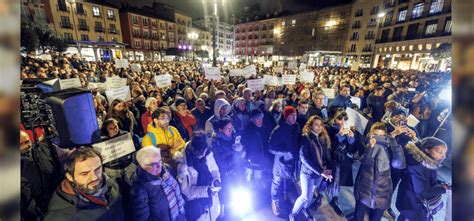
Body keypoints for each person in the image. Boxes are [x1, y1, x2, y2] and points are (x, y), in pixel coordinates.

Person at [44, 148, 125, 221]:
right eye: (85, 173)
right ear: (70, 177)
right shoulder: (61, 216)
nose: (94, 178)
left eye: (97, 169)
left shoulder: (112, 184)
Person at [353, 123, 406, 221]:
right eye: (376, 135)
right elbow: (363, 161)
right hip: (363, 188)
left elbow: (400, 164)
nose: (379, 139)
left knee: (375, 218)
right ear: (370, 134)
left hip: (382, 192)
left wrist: (393, 142)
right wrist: (370, 147)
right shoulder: (364, 144)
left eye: (382, 136)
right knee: (358, 216)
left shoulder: (389, 148)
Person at [290, 116, 333, 221]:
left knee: (311, 192)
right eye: (316, 124)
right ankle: (293, 214)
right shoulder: (306, 138)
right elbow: (304, 159)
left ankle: (305, 208)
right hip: (308, 173)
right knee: (305, 196)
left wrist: (329, 168)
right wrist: (321, 171)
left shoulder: (322, 138)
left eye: (320, 125)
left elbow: (326, 155)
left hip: (319, 174)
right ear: (310, 126)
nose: (319, 127)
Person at [396, 137, 449, 221]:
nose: (443, 156)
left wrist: (441, 184)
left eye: (444, 153)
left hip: (410, 204)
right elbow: (422, 192)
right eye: (440, 152)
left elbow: (425, 180)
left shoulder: (425, 162)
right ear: (427, 150)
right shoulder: (418, 166)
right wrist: (443, 189)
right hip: (413, 207)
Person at [129, 146, 186, 221]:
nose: (160, 166)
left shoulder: (167, 169)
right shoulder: (139, 188)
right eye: (153, 164)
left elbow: (178, 194)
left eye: (160, 160)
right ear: (142, 165)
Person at [176, 135, 221, 221]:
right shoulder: (183, 166)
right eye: (200, 153)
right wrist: (205, 191)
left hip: (212, 202)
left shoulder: (208, 155)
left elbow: (215, 169)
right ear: (193, 149)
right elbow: (186, 191)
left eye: (204, 151)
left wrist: (216, 180)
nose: (203, 155)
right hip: (200, 208)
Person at [268, 106, 301, 217]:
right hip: (280, 163)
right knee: (277, 181)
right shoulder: (278, 129)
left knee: (289, 179)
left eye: (295, 115)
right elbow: (271, 147)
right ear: (286, 116)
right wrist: (286, 152)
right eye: (291, 115)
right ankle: (274, 201)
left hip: (292, 161)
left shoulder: (297, 127)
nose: (294, 117)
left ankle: (285, 194)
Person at [21, 131, 61, 220]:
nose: (25, 146)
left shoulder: (43, 151)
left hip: (53, 200)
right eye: (20, 144)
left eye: (27, 142)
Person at [326, 110, 357, 216]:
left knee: (338, 181)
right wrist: (338, 136)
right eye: (340, 119)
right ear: (335, 119)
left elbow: (351, 149)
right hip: (331, 160)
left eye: (345, 119)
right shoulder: (329, 128)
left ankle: (334, 199)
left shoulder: (350, 129)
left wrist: (351, 139)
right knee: (328, 181)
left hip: (343, 161)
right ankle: (323, 198)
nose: (342, 122)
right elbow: (328, 147)